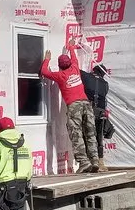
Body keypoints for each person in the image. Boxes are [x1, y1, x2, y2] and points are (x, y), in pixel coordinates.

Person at [40, 38, 101, 173]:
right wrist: (71, 46)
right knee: (90, 132)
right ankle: (95, 160)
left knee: (76, 133)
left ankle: (84, 162)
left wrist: (46, 59)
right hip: (86, 104)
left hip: (74, 106)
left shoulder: (60, 76)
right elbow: (74, 57)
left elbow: (44, 72)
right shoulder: (75, 68)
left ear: (60, 66)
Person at [80, 64, 115, 172]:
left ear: (93, 70)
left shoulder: (85, 76)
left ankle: (88, 163)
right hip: (101, 113)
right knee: (99, 138)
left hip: (88, 110)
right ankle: (100, 163)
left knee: (86, 136)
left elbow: (74, 68)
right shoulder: (105, 84)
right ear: (103, 74)